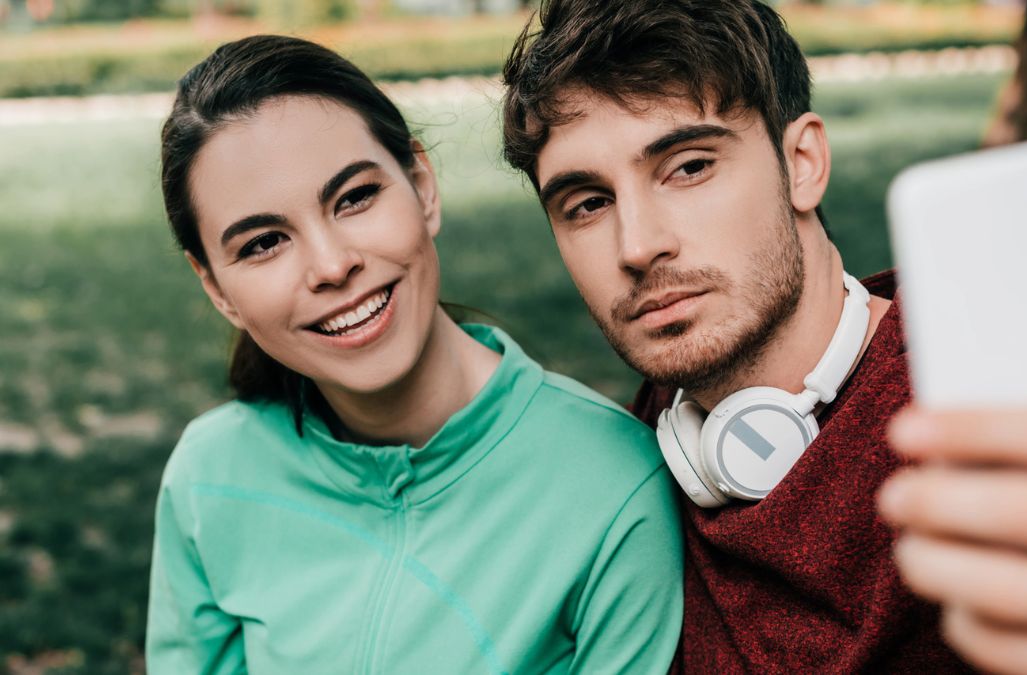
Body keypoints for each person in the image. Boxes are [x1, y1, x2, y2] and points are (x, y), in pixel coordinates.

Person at [499, 0, 1027, 673]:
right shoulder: (647, 438)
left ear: (802, 162)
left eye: (689, 166)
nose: (638, 245)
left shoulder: (988, 410)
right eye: (588, 202)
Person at [146, 35, 682, 674]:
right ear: (215, 288)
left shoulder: (614, 485)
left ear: (422, 186)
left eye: (354, 198)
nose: (332, 265)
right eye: (263, 242)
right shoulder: (209, 477)